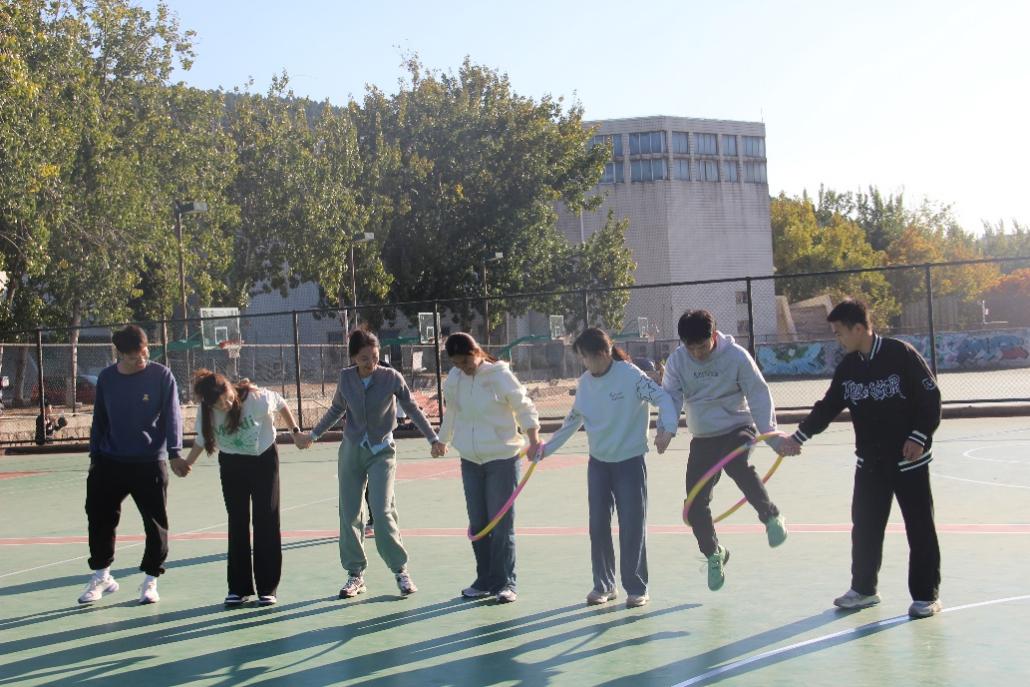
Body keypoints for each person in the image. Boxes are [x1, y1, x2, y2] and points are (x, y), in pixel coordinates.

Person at [780, 299, 943, 619]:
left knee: (919, 527)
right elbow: (828, 406)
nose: (837, 339)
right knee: (865, 527)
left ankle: (927, 595)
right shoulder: (849, 367)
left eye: (839, 332)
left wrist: (918, 436)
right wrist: (797, 437)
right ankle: (864, 590)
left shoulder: (901, 354)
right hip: (870, 462)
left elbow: (930, 397)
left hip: (908, 461)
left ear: (858, 329)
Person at [296, 329, 444, 599]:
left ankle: (400, 570)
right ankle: (355, 574)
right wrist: (313, 435)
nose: (371, 363)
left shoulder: (391, 378)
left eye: (374, 357)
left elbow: (412, 408)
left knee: (382, 509)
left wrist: (433, 438)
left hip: (381, 451)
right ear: (353, 357)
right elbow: (337, 409)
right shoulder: (346, 378)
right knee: (349, 512)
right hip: (352, 451)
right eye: (364, 358)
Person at [540, 328, 678, 608]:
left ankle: (637, 588)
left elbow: (663, 398)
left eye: (586, 357)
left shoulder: (630, 376)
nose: (583, 363)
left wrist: (667, 429)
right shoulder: (585, 384)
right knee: (598, 525)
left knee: (632, 525)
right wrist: (544, 450)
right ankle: (604, 585)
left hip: (630, 462)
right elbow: (572, 421)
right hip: (599, 465)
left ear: (603, 353)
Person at [661, 310, 795, 592]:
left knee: (736, 464)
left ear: (714, 335)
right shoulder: (677, 361)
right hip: (703, 436)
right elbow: (670, 396)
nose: (697, 354)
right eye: (690, 348)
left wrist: (771, 436)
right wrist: (667, 429)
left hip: (737, 427)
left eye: (702, 346)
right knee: (694, 504)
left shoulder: (736, 356)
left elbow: (758, 393)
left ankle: (771, 516)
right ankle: (714, 554)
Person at [175, 370, 303, 606]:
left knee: (266, 519)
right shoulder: (206, 412)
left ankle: (267, 588)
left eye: (227, 398)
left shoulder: (256, 399)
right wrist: (187, 463)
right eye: (219, 404)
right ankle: (238, 588)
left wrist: (295, 432)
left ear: (230, 388)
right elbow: (202, 440)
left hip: (264, 460)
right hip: (232, 464)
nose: (226, 405)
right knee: (237, 522)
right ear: (209, 404)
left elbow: (281, 403)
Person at [432, 332, 543, 603]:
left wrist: (533, 439)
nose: (463, 368)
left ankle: (506, 582)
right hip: (470, 461)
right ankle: (484, 580)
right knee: (478, 523)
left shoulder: (499, 375)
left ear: (477, 353)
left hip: (502, 460)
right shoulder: (455, 379)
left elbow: (524, 406)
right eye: (456, 363)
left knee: (501, 523)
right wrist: (442, 440)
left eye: (466, 362)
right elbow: (452, 412)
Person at [79, 325, 182, 605]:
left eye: (145, 353)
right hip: (109, 461)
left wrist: (175, 452)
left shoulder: (162, 376)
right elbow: (100, 419)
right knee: (98, 516)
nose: (142, 359)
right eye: (135, 356)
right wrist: (95, 457)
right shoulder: (107, 378)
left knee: (155, 524)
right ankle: (102, 575)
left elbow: (173, 415)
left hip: (149, 462)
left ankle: (150, 580)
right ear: (120, 355)